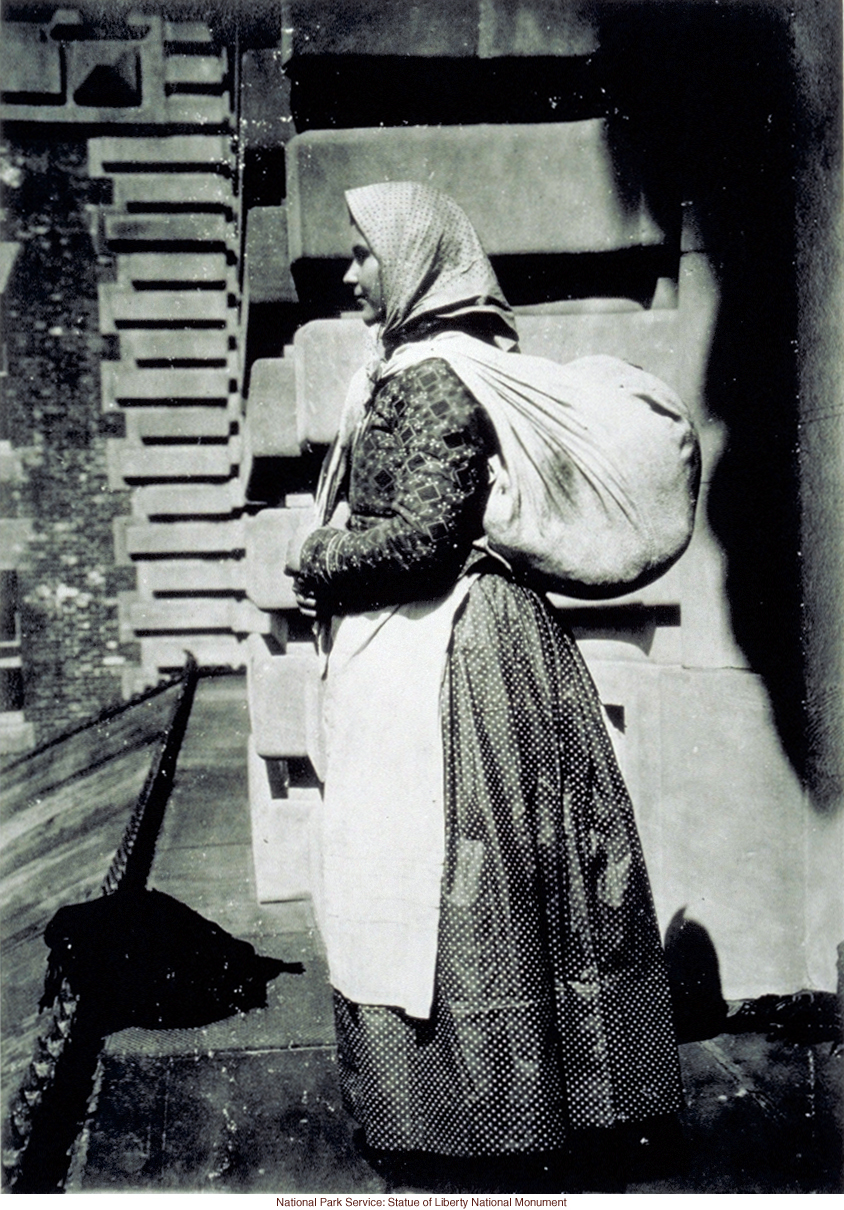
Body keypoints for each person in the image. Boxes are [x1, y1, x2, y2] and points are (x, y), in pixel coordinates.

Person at [289, 181, 682, 1192]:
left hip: (454, 660)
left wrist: (318, 557)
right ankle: (520, 1106)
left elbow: (425, 539)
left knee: (454, 877)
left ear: (415, 261)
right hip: (445, 653)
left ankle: (487, 1121)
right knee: (466, 880)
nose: (350, 273)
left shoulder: (430, 380)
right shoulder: (420, 371)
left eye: (365, 255)